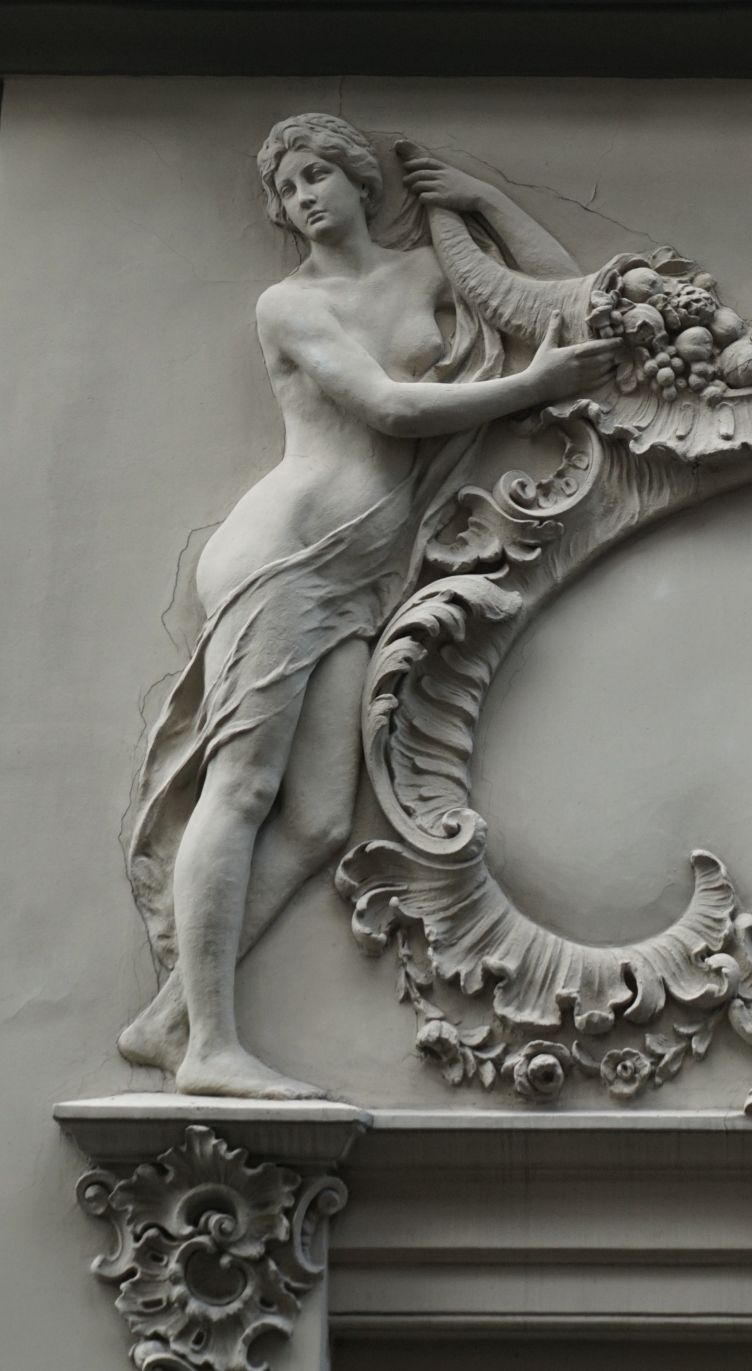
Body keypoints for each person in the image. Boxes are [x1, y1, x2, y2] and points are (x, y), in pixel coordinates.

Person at [120, 114, 620, 1098]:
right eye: (288, 187)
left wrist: (483, 199)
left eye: (318, 174)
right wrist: (529, 388)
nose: (303, 196)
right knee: (244, 788)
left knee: (315, 818)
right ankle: (208, 1046)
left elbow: (552, 300)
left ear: (360, 181)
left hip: (356, 574)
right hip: (283, 554)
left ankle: (171, 1014)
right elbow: (388, 405)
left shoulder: (426, 271)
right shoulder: (287, 305)